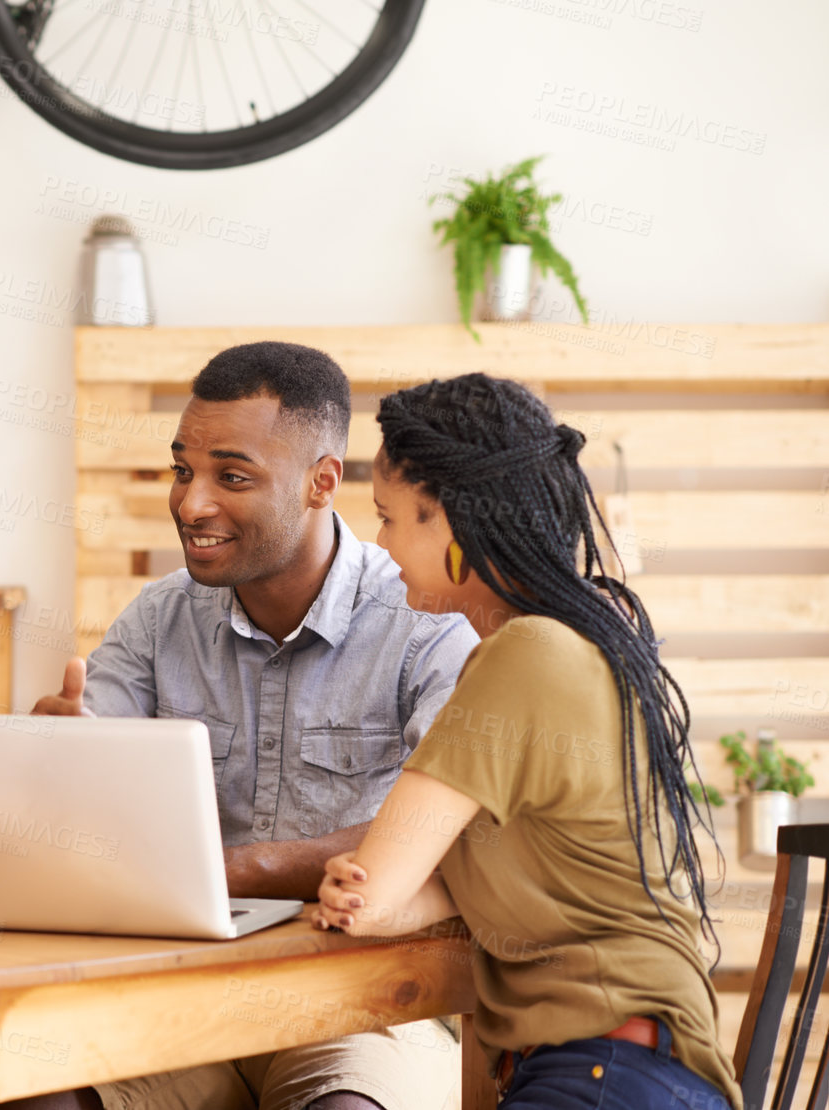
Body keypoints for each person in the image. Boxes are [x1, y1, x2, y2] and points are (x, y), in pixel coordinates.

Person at [31, 342, 479, 1110]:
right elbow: (91, 821)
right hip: (186, 1004)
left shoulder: (425, 623)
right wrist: (56, 763)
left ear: (322, 482)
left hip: (369, 1010)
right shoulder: (157, 621)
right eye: (183, 471)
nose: (191, 504)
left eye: (231, 477)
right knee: (37, 1094)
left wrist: (226, 869)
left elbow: (442, 837)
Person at [314, 374, 737, 1110]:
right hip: (628, 1072)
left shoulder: (529, 655)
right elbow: (441, 887)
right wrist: (369, 896)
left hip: (607, 1075)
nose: (380, 548)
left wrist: (369, 888)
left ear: (447, 518)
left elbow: (381, 885)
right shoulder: (563, 643)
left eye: (388, 519)